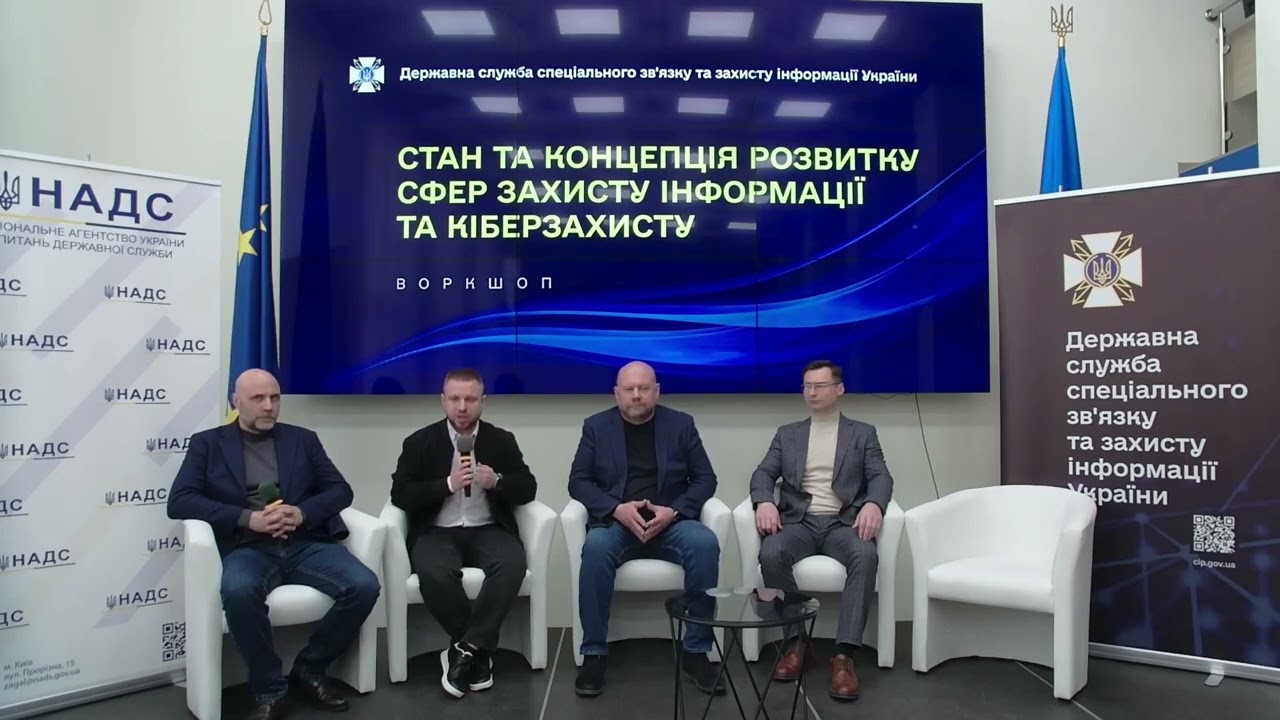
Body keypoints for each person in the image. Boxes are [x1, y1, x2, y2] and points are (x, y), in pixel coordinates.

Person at [167, 369, 380, 720]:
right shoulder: (208, 444)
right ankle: (269, 688)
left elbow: (340, 490)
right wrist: (246, 518)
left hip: (304, 543)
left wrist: (301, 513)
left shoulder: (302, 440)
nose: (269, 406)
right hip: (248, 547)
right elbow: (180, 501)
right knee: (238, 592)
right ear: (236, 402)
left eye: (275, 398)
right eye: (258, 398)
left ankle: (310, 668)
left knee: (364, 585)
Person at [568, 361, 724, 697]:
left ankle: (696, 653)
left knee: (704, 544)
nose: (636, 395)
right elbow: (578, 482)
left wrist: (673, 512)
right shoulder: (596, 427)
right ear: (617, 393)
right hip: (618, 523)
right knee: (595, 548)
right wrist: (616, 509)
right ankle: (594, 653)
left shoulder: (681, 425)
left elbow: (705, 479)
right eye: (629, 389)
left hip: (669, 522)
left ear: (657, 391)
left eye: (644, 388)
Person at [748, 360, 893, 702]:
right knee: (771, 551)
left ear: (839, 389)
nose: (812, 392)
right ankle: (797, 642)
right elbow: (763, 473)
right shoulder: (788, 434)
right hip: (799, 522)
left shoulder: (862, 433)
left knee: (865, 554)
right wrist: (764, 501)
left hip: (843, 522)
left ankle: (844, 656)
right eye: (807, 386)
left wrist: (874, 504)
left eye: (820, 385)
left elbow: (881, 476)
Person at [389, 368, 537, 699]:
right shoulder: (419, 442)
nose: (462, 407)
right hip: (437, 531)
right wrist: (447, 484)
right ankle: (478, 653)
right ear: (443, 401)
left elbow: (528, 487)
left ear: (482, 401)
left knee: (512, 564)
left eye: (470, 399)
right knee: (434, 571)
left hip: (487, 528)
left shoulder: (501, 440)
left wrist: (497, 481)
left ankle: (465, 649)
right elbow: (401, 495)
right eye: (454, 399)